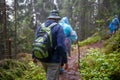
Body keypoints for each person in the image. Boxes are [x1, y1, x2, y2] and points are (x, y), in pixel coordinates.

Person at [32, 10, 68, 80]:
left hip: (42, 57)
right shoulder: (58, 27)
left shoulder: (40, 27)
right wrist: (65, 60)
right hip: (54, 60)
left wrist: (34, 56)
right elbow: (61, 45)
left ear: (49, 18)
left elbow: (35, 42)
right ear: (57, 19)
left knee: (50, 77)